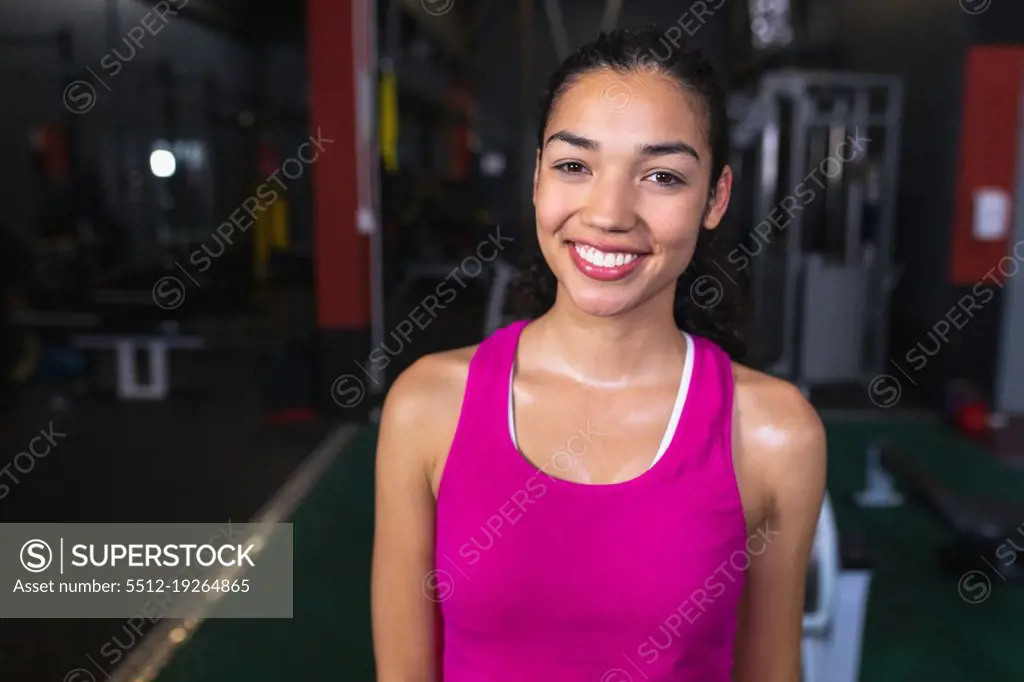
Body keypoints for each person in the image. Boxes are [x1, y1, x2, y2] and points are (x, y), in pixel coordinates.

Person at [372, 27, 826, 682]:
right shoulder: (426, 406)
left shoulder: (775, 433)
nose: (609, 212)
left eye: (662, 176)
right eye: (574, 166)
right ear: (536, 179)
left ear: (716, 199)